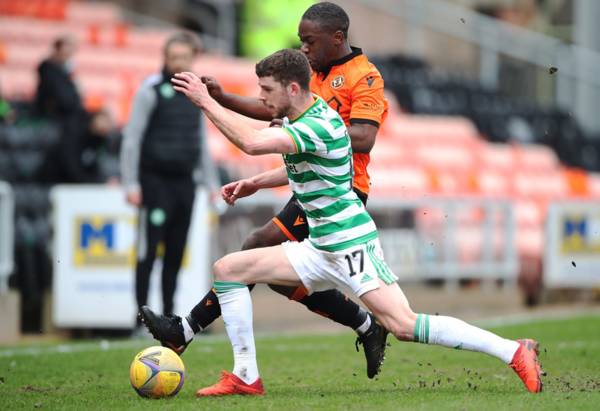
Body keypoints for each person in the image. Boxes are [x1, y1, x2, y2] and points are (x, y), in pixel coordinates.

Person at [171, 48, 544, 397]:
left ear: (293, 88)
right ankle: (245, 376)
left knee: (404, 326)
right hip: (319, 246)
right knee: (229, 269)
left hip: (350, 246)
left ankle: (513, 350)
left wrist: (205, 102)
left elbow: (252, 144)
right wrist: (255, 182)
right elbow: (307, 166)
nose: (262, 97)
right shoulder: (303, 114)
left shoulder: (318, 124)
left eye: (267, 90)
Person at [140, 2, 389, 379]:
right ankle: (369, 325)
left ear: (337, 38)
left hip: (342, 191)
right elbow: (271, 107)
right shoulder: (312, 74)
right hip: (310, 184)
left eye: (309, 41)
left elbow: (365, 138)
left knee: (254, 248)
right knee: (278, 279)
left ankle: (185, 330)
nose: (303, 48)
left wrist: (308, 132)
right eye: (301, 41)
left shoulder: (364, 76)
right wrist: (222, 97)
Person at [120, 32, 218, 326]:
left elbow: (200, 142)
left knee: (176, 252)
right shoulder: (150, 91)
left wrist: (211, 184)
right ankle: (141, 317)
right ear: (165, 59)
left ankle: (167, 316)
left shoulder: (194, 94)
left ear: (192, 59)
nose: (179, 63)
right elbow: (132, 139)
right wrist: (131, 183)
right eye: (174, 57)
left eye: (184, 58)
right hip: (155, 182)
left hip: (184, 183)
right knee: (148, 252)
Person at [38, 109, 117, 184]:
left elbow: (93, 166)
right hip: (55, 179)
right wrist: (96, 182)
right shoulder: (75, 133)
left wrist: (102, 181)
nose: (104, 126)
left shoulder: (98, 140)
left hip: (75, 184)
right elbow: (71, 168)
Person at [35, 35, 86, 145]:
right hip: (55, 120)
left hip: (65, 120)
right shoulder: (49, 69)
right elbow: (62, 97)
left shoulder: (65, 71)